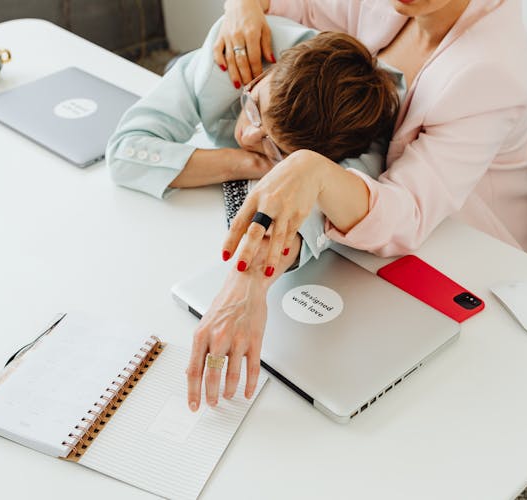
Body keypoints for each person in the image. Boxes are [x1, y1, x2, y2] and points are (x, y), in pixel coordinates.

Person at [187, 0, 527, 411]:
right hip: (365, 219)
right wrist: (241, 8)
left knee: (329, 393)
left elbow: (406, 213)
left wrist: (310, 170)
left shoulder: (490, 72)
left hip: (462, 254)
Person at [106, 15, 402, 409]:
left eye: (276, 148)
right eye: (254, 107)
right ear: (269, 71)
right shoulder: (233, 52)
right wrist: (250, 164)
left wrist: (249, 284)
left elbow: (315, 219)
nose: (247, 135)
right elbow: (126, 151)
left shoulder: (366, 143)